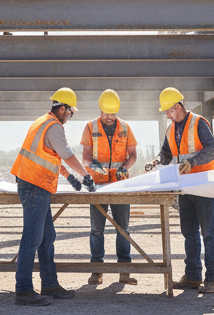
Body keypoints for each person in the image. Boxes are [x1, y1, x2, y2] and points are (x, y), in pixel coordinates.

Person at [10, 88, 97, 306]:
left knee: (47, 237)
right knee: (32, 238)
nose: (70, 116)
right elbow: (66, 154)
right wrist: (85, 176)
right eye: (70, 112)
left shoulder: (42, 122)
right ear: (62, 108)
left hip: (36, 184)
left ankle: (49, 284)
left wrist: (69, 177)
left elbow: (50, 157)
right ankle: (23, 290)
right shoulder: (54, 126)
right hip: (34, 186)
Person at [146, 87, 214, 294]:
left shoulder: (198, 122)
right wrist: (156, 161)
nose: (167, 115)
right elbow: (166, 153)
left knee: (209, 233)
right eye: (166, 112)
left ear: (179, 106)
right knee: (189, 232)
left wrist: (193, 161)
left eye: (169, 111)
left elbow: (213, 149)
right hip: (185, 185)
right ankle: (193, 275)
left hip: (204, 183)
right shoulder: (170, 129)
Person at [81, 89, 138, 286]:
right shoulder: (90, 127)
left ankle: (124, 271)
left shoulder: (125, 127)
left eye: (112, 115)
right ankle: (97, 270)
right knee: (97, 229)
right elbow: (86, 157)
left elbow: (133, 155)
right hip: (97, 187)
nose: (109, 118)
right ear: (101, 110)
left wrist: (125, 168)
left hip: (120, 186)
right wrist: (97, 166)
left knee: (123, 229)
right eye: (106, 114)